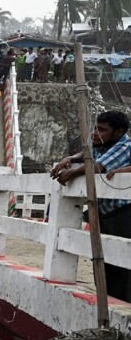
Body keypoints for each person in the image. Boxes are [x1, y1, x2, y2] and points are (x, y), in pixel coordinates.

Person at [51, 111, 131, 302]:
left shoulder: (125, 146)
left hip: (123, 213)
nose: (95, 133)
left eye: (102, 130)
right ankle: (108, 301)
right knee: (103, 262)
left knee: (123, 265)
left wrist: (71, 173)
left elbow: (98, 166)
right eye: (95, 128)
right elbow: (88, 155)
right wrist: (71, 158)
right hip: (105, 213)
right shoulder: (102, 144)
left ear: (119, 132)